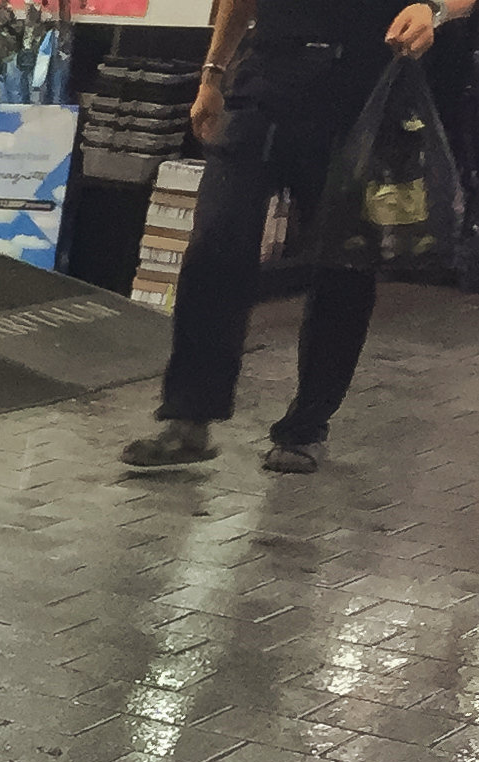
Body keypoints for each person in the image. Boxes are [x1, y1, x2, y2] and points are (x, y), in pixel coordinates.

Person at [122, 0, 470, 471]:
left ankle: (306, 427)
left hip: (362, 89)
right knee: (216, 240)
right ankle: (189, 419)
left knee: (343, 260)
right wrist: (212, 74)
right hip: (264, 78)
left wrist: (433, 10)